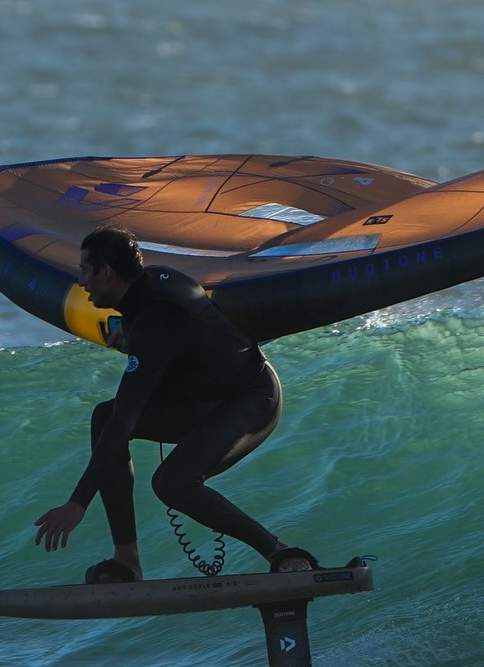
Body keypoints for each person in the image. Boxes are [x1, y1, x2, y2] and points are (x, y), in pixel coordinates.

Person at [33, 225, 316, 582]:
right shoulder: (148, 286)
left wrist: (78, 503)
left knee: (172, 481)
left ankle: (281, 551)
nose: (82, 282)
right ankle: (127, 561)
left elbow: (127, 418)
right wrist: (132, 336)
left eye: (85, 271)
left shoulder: (157, 319)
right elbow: (173, 332)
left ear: (105, 272)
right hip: (202, 398)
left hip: (251, 398)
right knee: (103, 417)